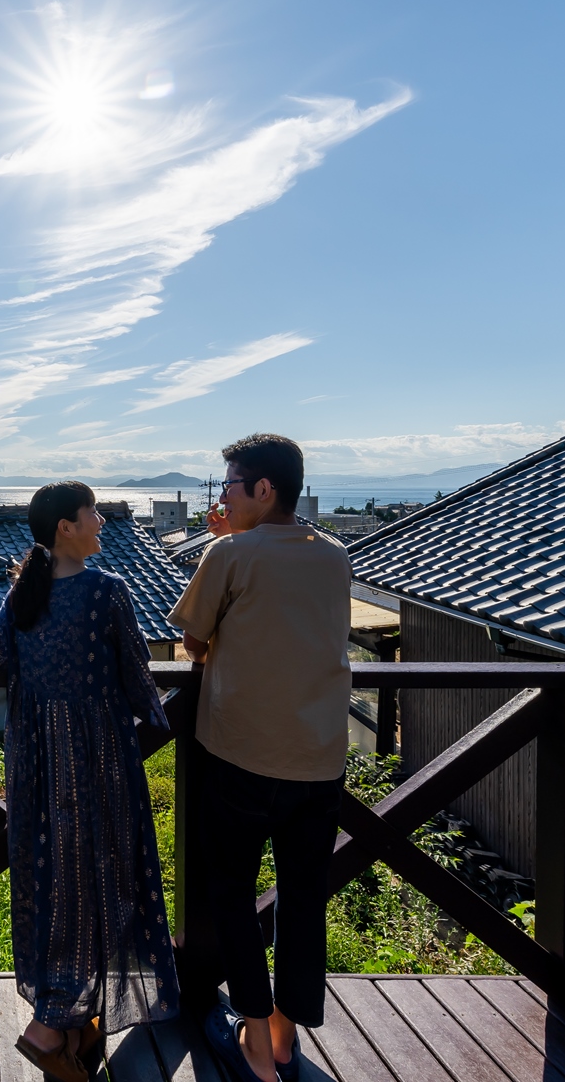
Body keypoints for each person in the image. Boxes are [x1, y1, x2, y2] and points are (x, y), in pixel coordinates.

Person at [0, 481, 180, 1082]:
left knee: (55, 876)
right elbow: (138, 675)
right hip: (97, 757)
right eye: (91, 512)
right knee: (104, 877)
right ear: (67, 526)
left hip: (36, 762)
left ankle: (67, 1021)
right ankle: (51, 1024)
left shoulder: (24, 593)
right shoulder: (106, 591)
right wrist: (165, 715)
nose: (100, 522)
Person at [167, 435, 352, 1082]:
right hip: (321, 759)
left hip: (242, 756)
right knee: (303, 901)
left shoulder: (228, 552)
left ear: (263, 489)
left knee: (231, 894)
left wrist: (225, 547)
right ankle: (282, 1037)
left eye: (230, 484)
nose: (222, 495)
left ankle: (251, 1037)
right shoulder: (334, 554)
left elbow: (193, 642)